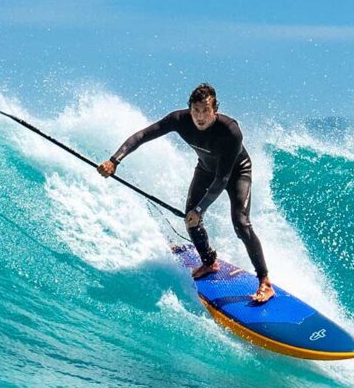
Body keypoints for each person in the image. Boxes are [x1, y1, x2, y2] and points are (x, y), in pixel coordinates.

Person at [97, 83, 274, 304]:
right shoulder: (178, 120)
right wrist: (114, 161)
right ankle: (209, 262)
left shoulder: (230, 131)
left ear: (215, 110)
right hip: (206, 169)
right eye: (195, 110)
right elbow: (142, 135)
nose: (200, 117)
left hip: (237, 172)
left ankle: (265, 281)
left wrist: (201, 209)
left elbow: (223, 179)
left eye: (205, 111)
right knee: (189, 218)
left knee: (240, 222)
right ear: (190, 109)